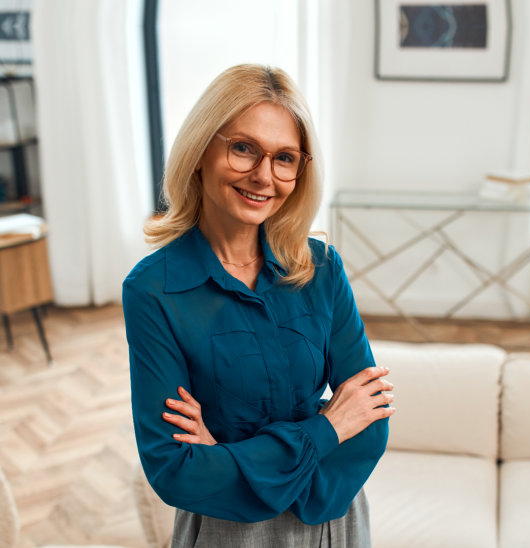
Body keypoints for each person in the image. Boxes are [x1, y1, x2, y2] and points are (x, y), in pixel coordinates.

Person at [123, 64, 395, 547]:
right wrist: (329, 426)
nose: (264, 176)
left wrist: (230, 458)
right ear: (201, 149)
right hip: (229, 532)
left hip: (334, 521)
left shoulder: (322, 269)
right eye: (244, 148)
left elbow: (370, 423)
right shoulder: (152, 291)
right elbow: (175, 470)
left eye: (285, 158)